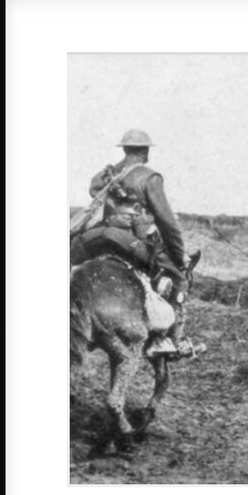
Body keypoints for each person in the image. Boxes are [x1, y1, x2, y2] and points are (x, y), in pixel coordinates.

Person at [69, 129, 205, 358]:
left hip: (97, 237)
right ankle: (171, 341)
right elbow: (166, 221)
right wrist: (178, 254)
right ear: (145, 151)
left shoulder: (106, 174)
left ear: (124, 149)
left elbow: (93, 190)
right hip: (128, 239)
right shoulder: (150, 178)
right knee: (179, 277)